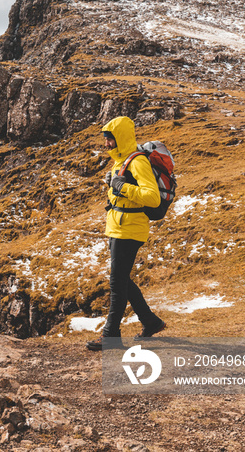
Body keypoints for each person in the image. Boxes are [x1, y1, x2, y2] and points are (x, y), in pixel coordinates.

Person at [86, 116, 166, 351]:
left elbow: (152, 197)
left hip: (131, 228)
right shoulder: (120, 161)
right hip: (118, 225)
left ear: (120, 138)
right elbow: (120, 194)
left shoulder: (137, 161)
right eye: (106, 140)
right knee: (121, 279)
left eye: (110, 139)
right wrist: (113, 185)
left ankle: (111, 335)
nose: (107, 144)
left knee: (116, 282)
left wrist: (122, 186)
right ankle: (151, 321)